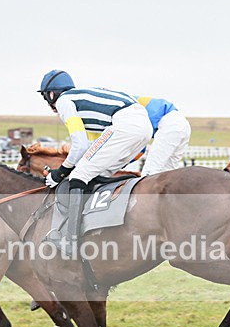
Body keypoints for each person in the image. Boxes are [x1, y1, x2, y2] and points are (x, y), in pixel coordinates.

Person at [38, 70, 152, 252]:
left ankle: (70, 241)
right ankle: (98, 228)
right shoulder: (83, 99)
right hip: (143, 126)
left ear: (51, 94)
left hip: (126, 124)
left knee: (79, 176)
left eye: (46, 97)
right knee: (94, 174)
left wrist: (59, 173)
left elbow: (80, 144)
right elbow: (90, 146)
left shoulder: (64, 102)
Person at [136, 96, 191, 176]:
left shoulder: (123, 111)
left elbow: (138, 144)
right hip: (183, 123)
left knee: (149, 173)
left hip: (169, 124)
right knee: (168, 174)